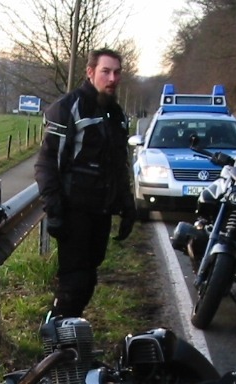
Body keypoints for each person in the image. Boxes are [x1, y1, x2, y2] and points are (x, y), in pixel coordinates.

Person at [35, 48, 136, 320]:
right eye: (105, 71)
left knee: (88, 280)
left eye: (117, 72)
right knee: (74, 283)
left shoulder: (116, 114)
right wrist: (54, 212)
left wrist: (127, 204)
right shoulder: (68, 108)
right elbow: (46, 164)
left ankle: (68, 341)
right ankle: (55, 345)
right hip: (73, 213)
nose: (112, 78)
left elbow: (118, 165)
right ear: (90, 72)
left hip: (100, 213)